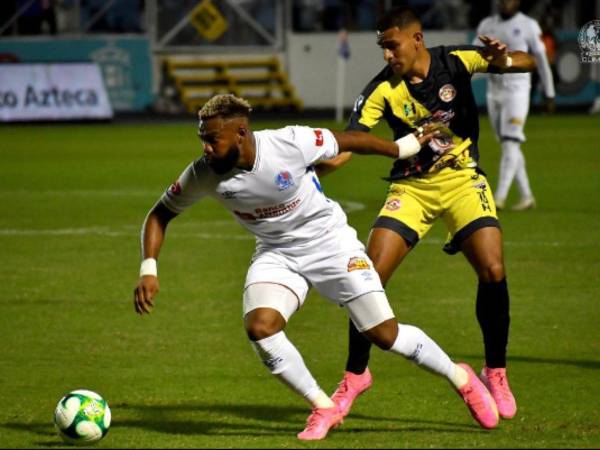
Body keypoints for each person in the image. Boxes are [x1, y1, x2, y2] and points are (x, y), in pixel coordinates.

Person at [133, 93, 501, 441]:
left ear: (241, 132)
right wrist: (149, 268)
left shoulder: (290, 141)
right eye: (203, 140)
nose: (206, 148)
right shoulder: (203, 172)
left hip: (331, 244)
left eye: (213, 139)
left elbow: (351, 141)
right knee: (261, 327)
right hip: (276, 253)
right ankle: (323, 407)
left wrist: (404, 147)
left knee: (385, 336)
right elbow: (160, 213)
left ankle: (461, 377)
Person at [313, 5, 537, 427]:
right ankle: (355, 376)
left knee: (492, 268)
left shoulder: (456, 61)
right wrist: (305, 170)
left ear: (416, 39)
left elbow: (525, 63)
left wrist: (504, 58)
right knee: (369, 277)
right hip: (411, 189)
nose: (386, 54)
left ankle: (496, 372)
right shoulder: (381, 89)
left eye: (391, 45)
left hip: (462, 181)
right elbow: (348, 144)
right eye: (381, 46)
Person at [474, 0, 555, 210]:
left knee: (510, 142)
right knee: (508, 144)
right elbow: (472, 55)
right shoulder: (486, 25)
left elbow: (541, 59)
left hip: (517, 91)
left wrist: (549, 91)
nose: (505, 2)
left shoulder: (528, 25)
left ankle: (498, 198)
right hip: (494, 92)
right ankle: (527, 196)